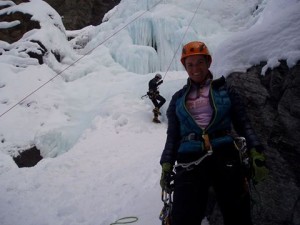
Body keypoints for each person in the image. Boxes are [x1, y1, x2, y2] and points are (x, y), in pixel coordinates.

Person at [159, 41, 269, 225]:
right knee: (183, 217)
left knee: (237, 214)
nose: (195, 68)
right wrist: (167, 163)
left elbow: (243, 123)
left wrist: (255, 149)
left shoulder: (225, 90)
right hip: (189, 158)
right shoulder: (177, 99)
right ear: (185, 68)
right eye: (190, 64)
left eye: (199, 62)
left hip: (224, 152)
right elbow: (173, 136)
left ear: (208, 63)